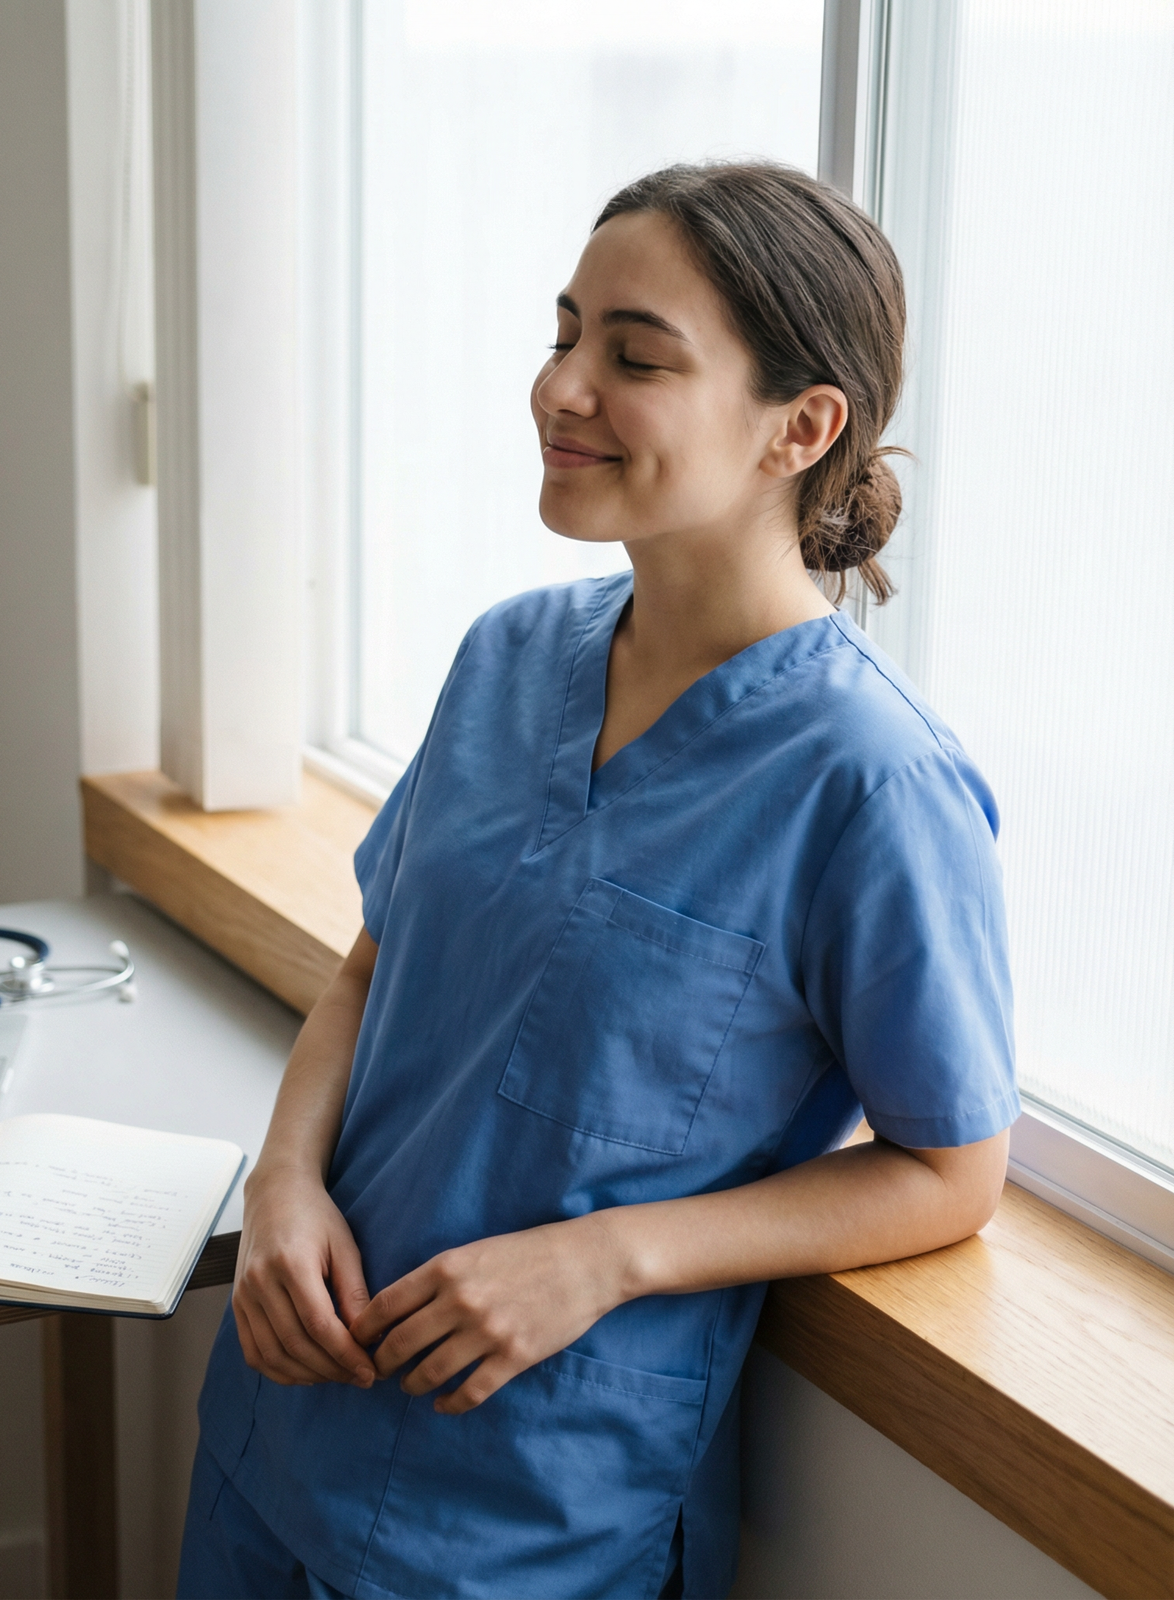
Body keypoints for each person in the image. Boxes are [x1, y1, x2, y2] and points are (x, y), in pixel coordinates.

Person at [177, 161, 1019, 1600]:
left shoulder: (872, 782)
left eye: (633, 357)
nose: (562, 388)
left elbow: (953, 1168)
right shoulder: (508, 657)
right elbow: (380, 963)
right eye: (565, 333)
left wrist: (609, 1259)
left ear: (799, 428)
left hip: (532, 1513)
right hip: (282, 1431)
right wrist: (283, 1183)